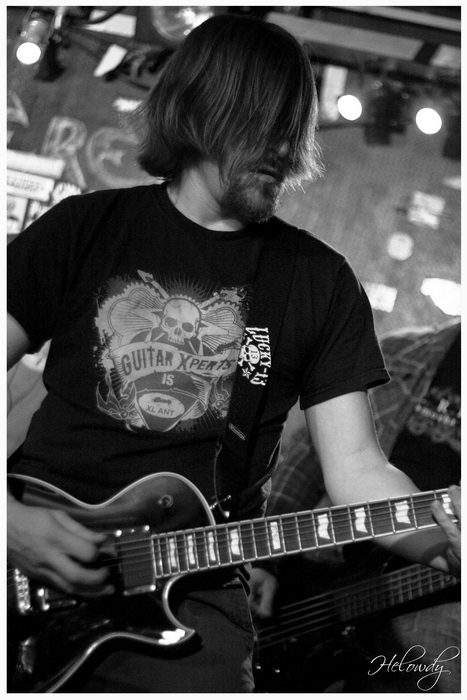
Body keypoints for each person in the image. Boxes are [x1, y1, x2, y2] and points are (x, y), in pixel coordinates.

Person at [7, 14, 460, 693]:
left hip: (197, 587)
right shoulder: (85, 228)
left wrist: (445, 543)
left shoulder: (316, 282)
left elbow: (358, 469)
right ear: (201, 109)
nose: (282, 149)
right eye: (264, 124)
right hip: (26, 553)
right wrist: (10, 523)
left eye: (292, 129)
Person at [252, 320, 461, 692]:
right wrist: (265, 559)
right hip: (322, 576)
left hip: (436, 596)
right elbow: (308, 457)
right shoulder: (399, 352)